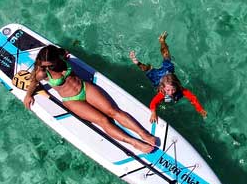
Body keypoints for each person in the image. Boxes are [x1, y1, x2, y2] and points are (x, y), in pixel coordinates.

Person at [22, 44, 158, 152]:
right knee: (103, 120)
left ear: (56, 58)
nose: (48, 67)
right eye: (45, 65)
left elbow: (65, 52)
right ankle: (134, 143)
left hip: (84, 88)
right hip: (72, 101)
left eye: (50, 64)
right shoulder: (41, 72)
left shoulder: (60, 54)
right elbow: (34, 82)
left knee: (113, 111)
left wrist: (67, 55)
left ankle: (143, 133)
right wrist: (28, 95)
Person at [129, 32, 206, 128]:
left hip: (167, 71)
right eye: (168, 90)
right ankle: (137, 62)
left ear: (177, 86)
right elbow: (153, 102)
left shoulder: (181, 90)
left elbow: (193, 98)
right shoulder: (162, 93)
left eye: (173, 90)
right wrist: (153, 112)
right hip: (158, 77)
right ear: (163, 88)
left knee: (166, 56)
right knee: (147, 70)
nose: (170, 92)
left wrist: (200, 109)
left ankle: (162, 41)